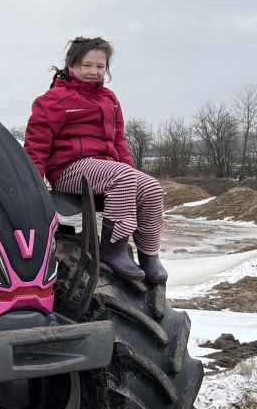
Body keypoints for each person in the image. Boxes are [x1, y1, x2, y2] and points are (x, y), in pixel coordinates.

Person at [23, 37, 167, 283]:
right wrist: (32, 187)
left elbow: (119, 142)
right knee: (122, 175)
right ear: (72, 65)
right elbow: (36, 145)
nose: (94, 71)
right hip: (69, 169)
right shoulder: (53, 101)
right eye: (87, 65)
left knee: (151, 188)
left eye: (100, 66)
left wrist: (134, 179)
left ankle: (149, 255)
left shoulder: (109, 100)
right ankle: (112, 250)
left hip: (106, 169)